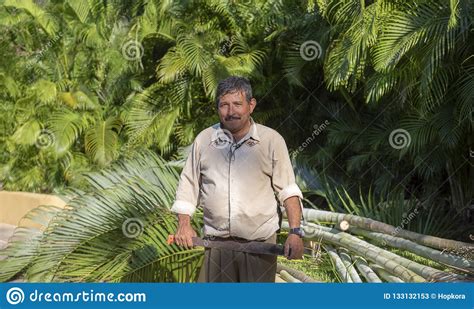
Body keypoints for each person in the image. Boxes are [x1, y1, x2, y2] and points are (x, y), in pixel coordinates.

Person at [171, 76, 305, 282]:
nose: (231, 111)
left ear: (251, 105)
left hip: (259, 248)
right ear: (217, 108)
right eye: (224, 105)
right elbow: (188, 186)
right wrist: (184, 224)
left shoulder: (271, 141)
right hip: (216, 247)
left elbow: (288, 192)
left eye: (237, 104)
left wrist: (295, 233)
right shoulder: (205, 140)